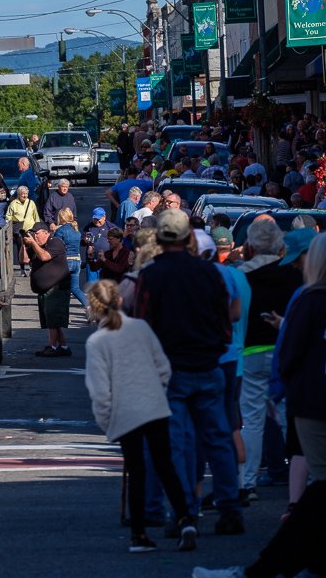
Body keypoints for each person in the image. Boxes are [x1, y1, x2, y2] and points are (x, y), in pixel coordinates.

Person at [191, 234, 326, 578]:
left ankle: (247, 483)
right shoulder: (283, 284)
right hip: (260, 361)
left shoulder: (304, 295)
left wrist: (284, 386)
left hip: (256, 360)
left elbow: (287, 346)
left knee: (247, 422)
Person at [133, 208, 244, 535]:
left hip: (171, 368)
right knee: (218, 439)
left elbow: (142, 324)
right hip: (208, 363)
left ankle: (185, 512)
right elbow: (225, 321)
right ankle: (229, 507)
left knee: (177, 442)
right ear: (185, 237)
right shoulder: (209, 272)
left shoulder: (150, 275)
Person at [84, 279, 197, 554]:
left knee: (137, 471)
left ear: (94, 306)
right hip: (154, 405)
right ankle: (184, 518)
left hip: (125, 410)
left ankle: (139, 533)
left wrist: (106, 421)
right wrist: (157, 392)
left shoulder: (98, 341)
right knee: (165, 464)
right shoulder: (141, 327)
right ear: (120, 301)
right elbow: (163, 367)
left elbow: (100, 391)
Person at [236, 218, 302, 499]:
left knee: (251, 420)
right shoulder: (294, 275)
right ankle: (304, 478)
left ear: (250, 245)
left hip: (250, 352)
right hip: (284, 351)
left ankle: (246, 483)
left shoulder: (242, 276)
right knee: (289, 418)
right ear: (279, 246)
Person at [23, 222, 72, 357]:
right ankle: (63, 346)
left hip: (57, 288)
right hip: (45, 290)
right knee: (52, 320)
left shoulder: (55, 242)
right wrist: (24, 244)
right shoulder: (36, 246)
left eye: (36, 233)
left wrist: (33, 243)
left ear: (46, 232)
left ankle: (52, 346)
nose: (35, 236)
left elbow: (44, 256)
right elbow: (24, 259)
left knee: (53, 318)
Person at [53, 208, 86, 309]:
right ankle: (89, 306)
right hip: (77, 261)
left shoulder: (60, 231)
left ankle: (60, 309)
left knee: (59, 287)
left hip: (66, 261)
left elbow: (56, 247)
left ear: (61, 218)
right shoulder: (76, 230)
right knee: (75, 288)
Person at [6, 186, 40, 276]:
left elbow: (36, 216)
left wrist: (37, 227)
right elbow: (8, 216)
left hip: (30, 229)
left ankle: (32, 267)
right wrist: (12, 222)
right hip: (19, 229)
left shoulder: (31, 203)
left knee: (32, 248)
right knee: (20, 248)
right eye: (23, 194)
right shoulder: (13, 203)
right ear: (19, 194)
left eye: (26, 194)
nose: (25, 196)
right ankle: (22, 269)